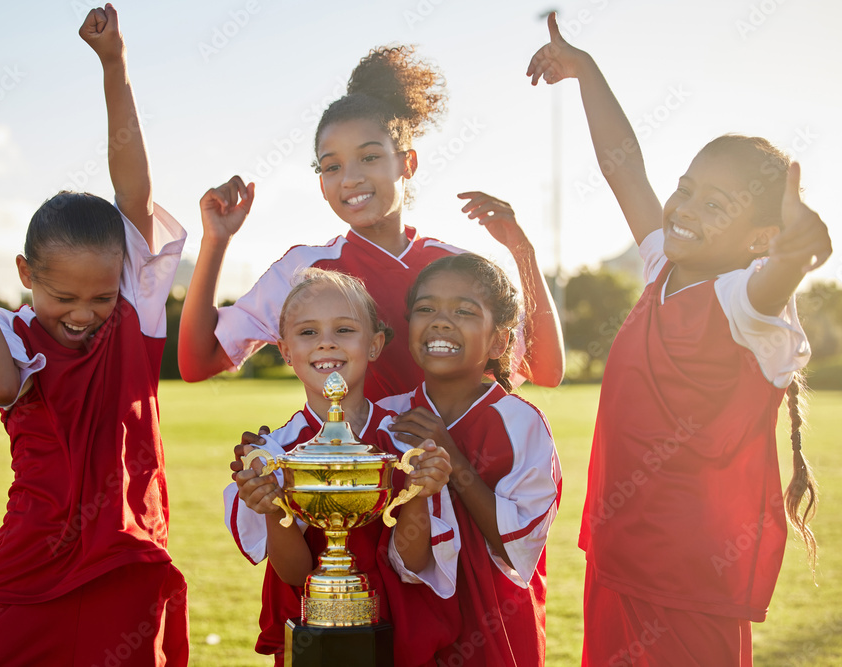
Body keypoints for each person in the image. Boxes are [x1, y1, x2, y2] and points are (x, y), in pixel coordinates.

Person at [526, 13, 832, 665]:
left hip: (690, 585)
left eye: (716, 205)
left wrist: (796, 256)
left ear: (760, 238)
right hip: (619, 558)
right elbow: (624, 169)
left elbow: (769, 285)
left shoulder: (742, 302)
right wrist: (586, 71)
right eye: (686, 190)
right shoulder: (663, 265)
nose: (687, 209)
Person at [0, 6, 189, 664]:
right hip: (31, 559)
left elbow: (134, 188)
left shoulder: (136, 310)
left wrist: (114, 65)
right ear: (25, 274)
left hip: (125, 554)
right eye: (62, 296)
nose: (82, 313)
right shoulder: (10, 330)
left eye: (100, 296)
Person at [179, 44, 565, 401]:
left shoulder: (458, 268)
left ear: (407, 163)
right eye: (332, 166)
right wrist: (215, 241)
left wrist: (522, 250)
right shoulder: (301, 272)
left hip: (443, 473)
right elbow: (199, 362)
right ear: (321, 183)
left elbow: (544, 369)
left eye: (369, 157)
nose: (350, 178)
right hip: (345, 473)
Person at [224, 268, 462, 666]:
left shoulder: (405, 442)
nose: (326, 344)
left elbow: (415, 562)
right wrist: (270, 508)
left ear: (375, 344)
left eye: (345, 330)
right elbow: (296, 575)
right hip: (313, 640)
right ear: (284, 350)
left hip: (399, 637)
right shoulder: (272, 452)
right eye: (308, 332)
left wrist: (422, 491)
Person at [386, 253, 563, 666]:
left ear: (500, 340)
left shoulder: (521, 422)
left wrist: (453, 461)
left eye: (464, 311)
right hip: (405, 629)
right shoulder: (388, 418)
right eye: (425, 308)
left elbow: (518, 543)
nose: (441, 321)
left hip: (495, 633)